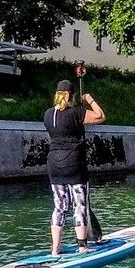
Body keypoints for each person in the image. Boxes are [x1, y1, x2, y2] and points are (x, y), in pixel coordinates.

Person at [43, 78, 105, 255]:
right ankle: (82, 246)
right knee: (79, 205)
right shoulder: (77, 113)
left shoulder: (48, 115)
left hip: (54, 165)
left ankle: (55, 249)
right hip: (75, 165)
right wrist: (89, 100)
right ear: (70, 95)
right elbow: (100, 116)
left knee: (59, 207)